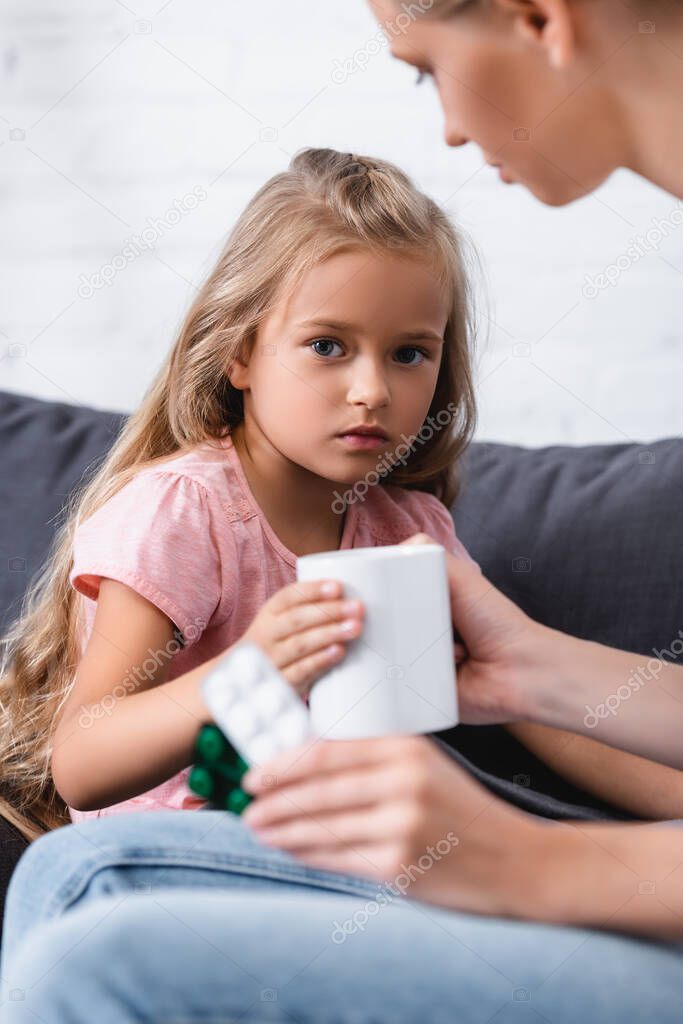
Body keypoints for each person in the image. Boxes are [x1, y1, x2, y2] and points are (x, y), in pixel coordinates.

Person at [2, 0, 683, 1014]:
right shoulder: (187, 509)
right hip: (195, 856)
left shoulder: (408, 533)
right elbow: (85, 759)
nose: (371, 388)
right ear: (238, 353)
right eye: (328, 346)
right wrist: (248, 669)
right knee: (77, 883)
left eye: (408, 353)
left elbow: (549, 718)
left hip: (354, 872)